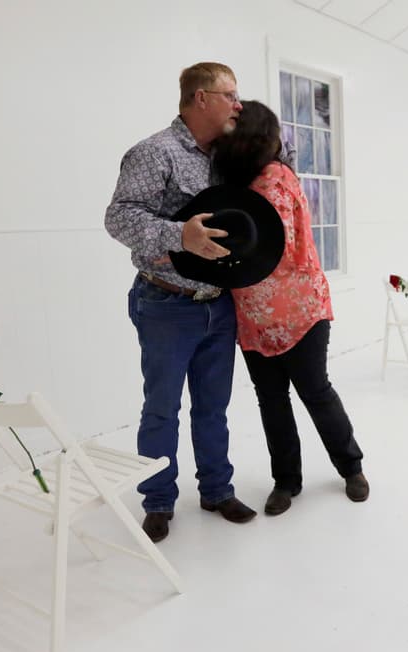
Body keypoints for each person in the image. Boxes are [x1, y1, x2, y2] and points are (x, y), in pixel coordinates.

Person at [104, 62, 257, 542]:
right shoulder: (154, 153)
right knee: (162, 409)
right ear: (200, 99)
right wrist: (179, 235)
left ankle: (216, 490)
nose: (238, 103)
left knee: (213, 408)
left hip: (220, 304)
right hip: (166, 303)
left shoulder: (231, 156)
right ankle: (158, 502)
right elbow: (119, 218)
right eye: (230, 95)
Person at [211, 101, 369, 516]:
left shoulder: (275, 177)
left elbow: (272, 244)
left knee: (315, 391)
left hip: (300, 310)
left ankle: (351, 467)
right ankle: (286, 481)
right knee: (272, 400)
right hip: (253, 315)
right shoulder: (235, 181)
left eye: (230, 129)